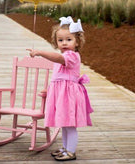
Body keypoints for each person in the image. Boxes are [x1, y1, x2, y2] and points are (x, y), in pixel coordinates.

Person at [27, 16, 93, 161]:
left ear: (77, 42)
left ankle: (71, 151)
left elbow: (57, 58)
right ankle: (65, 148)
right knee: (64, 124)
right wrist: (49, 90)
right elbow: (58, 78)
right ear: (56, 42)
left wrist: (40, 53)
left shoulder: (71, 56)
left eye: (69, 40)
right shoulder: (64, 55)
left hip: (69, 95)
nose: (64, 43)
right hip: (62, 94)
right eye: (60, 40)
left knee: (70, 125)